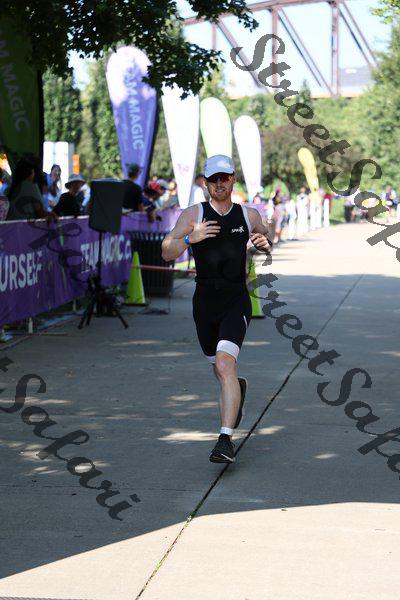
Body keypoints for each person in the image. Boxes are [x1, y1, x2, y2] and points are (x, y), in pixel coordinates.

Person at [162, 154, 272, 464]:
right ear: (205, 183)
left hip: (236, 299)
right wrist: (190, 237)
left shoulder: (248, 215)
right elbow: (166, 251)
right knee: (220, 368)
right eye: (214, 179)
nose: (219, 183)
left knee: (224, 364)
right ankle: (237, 389)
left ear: (233, 179)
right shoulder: (193, 214)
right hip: (204, 302)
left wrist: (265, 243)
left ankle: (225, 439)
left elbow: (266, 235)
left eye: (224, 178)